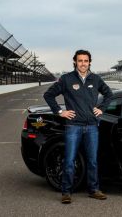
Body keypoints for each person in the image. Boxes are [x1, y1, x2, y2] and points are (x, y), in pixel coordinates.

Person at [44, 49, 113, 204]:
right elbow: (48, 95)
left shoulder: (95, 79)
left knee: (92, 160)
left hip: (92, 126)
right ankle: (66, 192)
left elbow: (109, 94)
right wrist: (60, 111)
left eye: (86, 61)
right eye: (80, 60)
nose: (83, 63)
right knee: (69, 160)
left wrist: (101, 108)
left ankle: (94, 190)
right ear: (75, 61)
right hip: (73, 126)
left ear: (89, 62)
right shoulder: (66, 79)